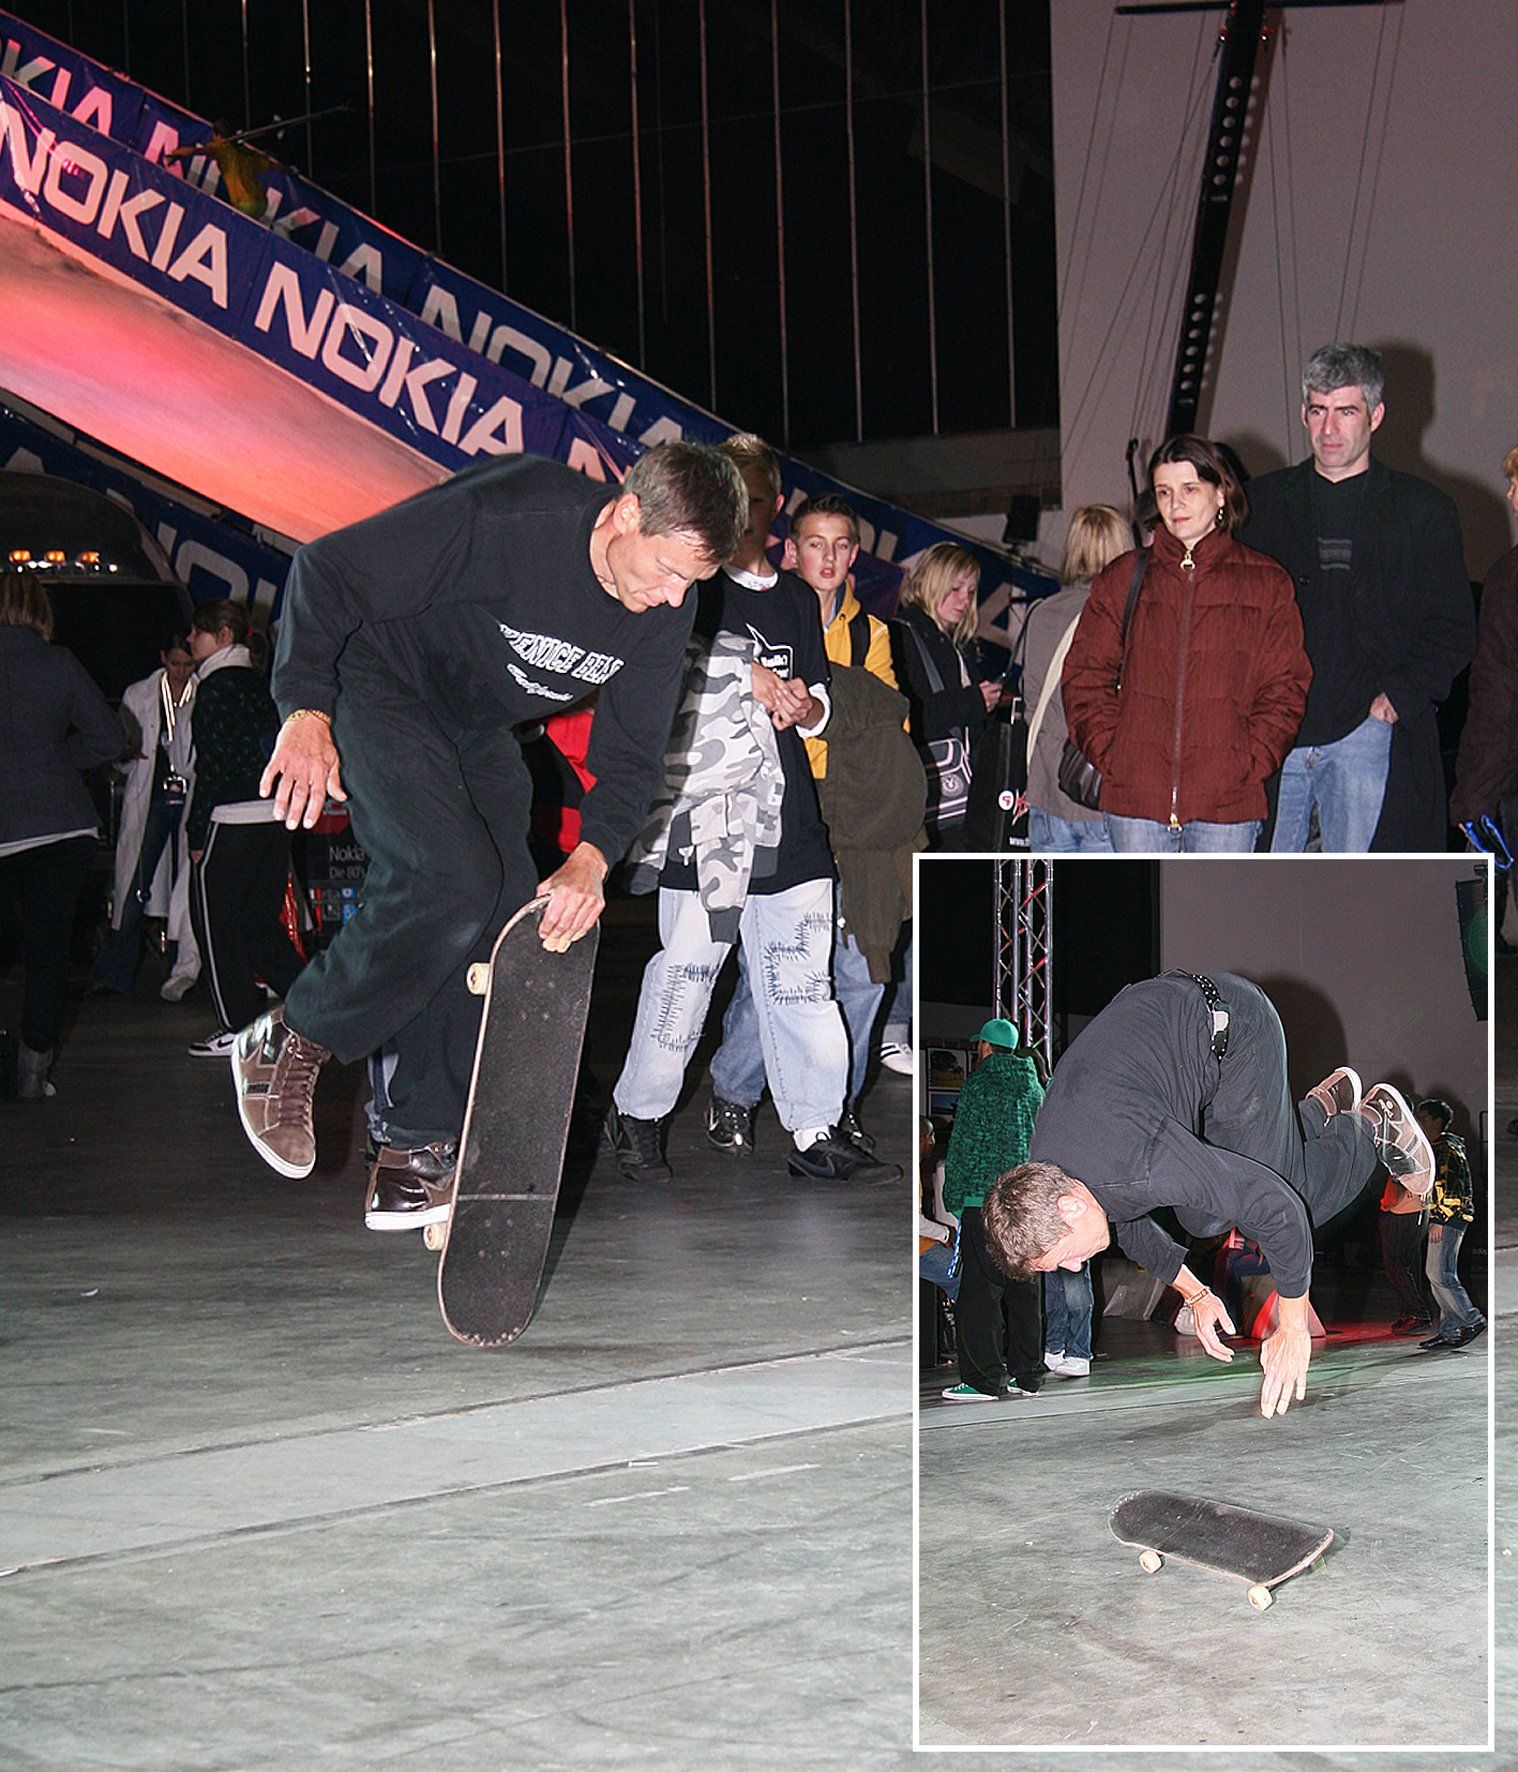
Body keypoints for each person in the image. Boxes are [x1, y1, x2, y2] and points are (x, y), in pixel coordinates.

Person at [229, 443, 747, 1230]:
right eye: (668, 571)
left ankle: (413, 1150)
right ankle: (290, 1039)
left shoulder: (666, 611)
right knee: (448, 878)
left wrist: (594, 857)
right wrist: (304, 708)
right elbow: (326, 570)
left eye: (693, 583)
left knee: (504, 910)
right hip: (376, 680)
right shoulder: (512, 516)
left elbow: (635, 748)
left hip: (472, 725)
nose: (674, 597)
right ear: (627, 513)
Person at [609, 437, 898, 1187]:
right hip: (710, 816)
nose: (746, 512)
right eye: (733, 496)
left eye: (758, 497)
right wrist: (743, 675)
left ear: (773, 505)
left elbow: (817, 696)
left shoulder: (799, 596)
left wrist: (807, 706)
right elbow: (651, 673)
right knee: (688, 975)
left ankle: (815, 1129)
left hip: (792, 821)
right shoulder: (694, 584)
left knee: (803, 985)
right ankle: (638, 1115)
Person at [979, 971, 1435, 1418]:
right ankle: (1316, 1112)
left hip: (1236, 1033)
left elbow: (1278, 1209)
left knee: (1289, 1197)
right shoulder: (1049, 1168)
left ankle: (1373, 1124)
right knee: (1203, 1218)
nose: (1075, 1267)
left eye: (1063, 1257)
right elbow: (1128, 1222)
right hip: (1186, 1039)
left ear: (1070, 1205)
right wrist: (1195, 1295)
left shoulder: (1139, 1162)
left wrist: (1291, 1325)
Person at [702, 491, 920, 1157]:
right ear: (790, 550)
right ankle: (734, 1093)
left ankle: (835, 1110)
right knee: (778, 968)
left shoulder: (874, 635)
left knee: (860, 973)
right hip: (775, 809)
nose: (827, 557)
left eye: (841, 545)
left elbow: (891, 720)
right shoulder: (755, 614)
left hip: (854, 818)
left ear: (854, 556)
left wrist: (820, 712)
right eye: (814, 543)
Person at [1240, 343, 1477, 852]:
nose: (1329, 429)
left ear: (1376, 415)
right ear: (1303, 414)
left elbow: (1455, 626)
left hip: (1369, 733)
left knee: (1361, 896)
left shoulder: (1423, 511)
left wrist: (1396, 699)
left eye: (1345, 411)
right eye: (1319, 411)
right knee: (1261, 895)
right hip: (1280, 732)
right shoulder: (1261, 506)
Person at [1063, 436, 1311, 853]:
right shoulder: (1123, 578)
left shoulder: (1266, 582)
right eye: (1164, 492)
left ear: (1221, 493)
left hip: (1228, 805)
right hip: (1135, 804)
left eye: (1189, 489)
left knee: (1214, 921)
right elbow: (1084, 676)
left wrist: (1246, 763)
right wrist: (1116, 757)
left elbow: (1286, 687)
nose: (1175, 505)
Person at [0, 573, 122, 1098]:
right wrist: (59, 763)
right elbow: (110, 737)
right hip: (61, 825)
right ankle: (33, 1072)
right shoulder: (59, 663)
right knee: (48, 950)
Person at [184, 600, 306, 1059]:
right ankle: (310, 1002)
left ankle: (235, 1026)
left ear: (222, 636)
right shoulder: (264, 685)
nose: (191, 641)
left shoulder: (213, 688)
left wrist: (197, 835)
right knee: (259, 923)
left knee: (217, 928)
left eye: (198, 632)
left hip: (230, 820)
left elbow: (211, 769)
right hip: (273, 818)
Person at [939, 1018, 1046, 1401]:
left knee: (979, 1295)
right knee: (1025, 1290)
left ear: (985, 1047)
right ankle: (1029, 1375)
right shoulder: (1034, 1087)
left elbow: (964, 1145)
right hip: (1024, 1206)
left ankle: (983, 1380)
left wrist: (954, 1197)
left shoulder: (979, 1084)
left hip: (982, 1203)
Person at [93, 633, 199, 999]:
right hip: (151, 801)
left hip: (188, 802)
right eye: (175, 664)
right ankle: (115, 975)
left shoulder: (202, 692)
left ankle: (180, 974)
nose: (182, 671)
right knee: (134, 888)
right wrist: (125, 753)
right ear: (162, 658)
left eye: (188, 665)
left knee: (182, 890)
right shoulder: (138, 694)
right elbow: (117, 751)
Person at [1020, 504, 1130, 852]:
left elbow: (1031, 703)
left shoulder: (1041, 612)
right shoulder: (1127, 614)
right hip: (1103, 793)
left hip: (1047, 791)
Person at [890, 542, 999, 850]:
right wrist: (974, 701)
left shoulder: (958, 644)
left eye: (971, 591)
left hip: (964, 797)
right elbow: (908, 715)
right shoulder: (901, 635)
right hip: (931, 796)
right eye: (955, 588)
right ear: (932, 583)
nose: (964, 600)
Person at [1450, 448, 1518, 876]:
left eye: (1517, 486)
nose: (1511, 498)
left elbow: (1499, 699)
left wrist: (1472, 796)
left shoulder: (1510, 580)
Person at [1416, 1097, 1486, 1351]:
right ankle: (1450, 1330)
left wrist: (1440, 1219)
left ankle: (1470, 1319)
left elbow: (1451, 1188)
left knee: (1440, 1273)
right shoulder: (1441, 1148)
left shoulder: (1446, 1150)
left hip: (1449, 1218)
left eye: (1423, 1118)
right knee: (1437, 1274)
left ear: (1437, 1121)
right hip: (1448, 1218)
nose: (1419, 1122)